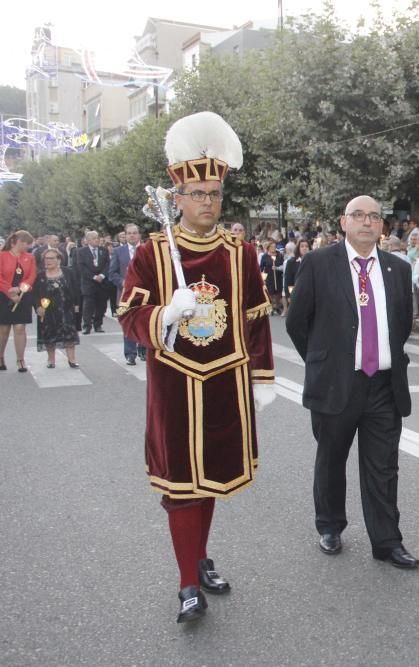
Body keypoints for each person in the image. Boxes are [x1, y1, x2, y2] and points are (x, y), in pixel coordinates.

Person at [117, 111, 275, 623]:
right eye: (198, 194)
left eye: (214, 194)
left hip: (225, 383)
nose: (208, 202)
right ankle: (188, 583)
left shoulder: (239, 251)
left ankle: (200, 557)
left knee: (211, 481)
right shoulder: (152, 252)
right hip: (175, 385)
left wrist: (262, 376)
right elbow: (128, 315)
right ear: (177, 198)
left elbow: (255, 318)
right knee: (181, 484)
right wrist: (165, 312)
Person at [285, 195, 419, 569]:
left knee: (383, 466)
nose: (366, 222)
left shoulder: (397, 268)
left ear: (382, 225)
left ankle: (387, 541)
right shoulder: (317, 264)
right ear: (343, 223)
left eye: (374, 216)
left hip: (384, 385)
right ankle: (330, 525)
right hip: (336, 383)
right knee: (332, 458)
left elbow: (402, 322)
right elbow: (298, 323)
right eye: (358, 215)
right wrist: (322, 361)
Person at [34, 248, 81, 368]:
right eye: (46, 258)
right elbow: (34, 294)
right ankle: (51, 360)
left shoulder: (68, 272)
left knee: (69, 334)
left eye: (51, 258)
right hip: (48, 310)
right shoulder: (40, 276)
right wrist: (38, 307)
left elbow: (76, 290)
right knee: (49, 334)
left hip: (66, 309)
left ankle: (72, 359)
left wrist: (77, 305)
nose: (48, 261)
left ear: (58, 260)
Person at [0, 230, 37, 372]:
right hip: (4, 295)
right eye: (27, 244)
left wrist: (21, 289)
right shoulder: (2, 256)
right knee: (3, 329)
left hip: (23, 295)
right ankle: (1, 357)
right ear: (19, 242)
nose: (28, 247)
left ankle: (20, 359)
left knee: (20, 328)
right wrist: (10, 290)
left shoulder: (29, 257)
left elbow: (32, 275)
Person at [108, 224, 146, 365]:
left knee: (144, 322)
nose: (132, 235)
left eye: (134, 233)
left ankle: (144, 350)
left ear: (139, 235)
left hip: (144, 293)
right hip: (125, 294)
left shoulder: (146, 249)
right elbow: (112, 273)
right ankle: (130, 354)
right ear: (125, 235)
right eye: (129, 233)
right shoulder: (119, 252)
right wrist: (123, 282)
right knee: (129, 324)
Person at [77, 230, 112, 334]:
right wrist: (93, 276)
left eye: (97, 238)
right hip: (89, 282)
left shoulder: (104, 250)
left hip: (102, 282)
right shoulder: (81, 252)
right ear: (87, 240)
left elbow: (108, 264)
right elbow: (81, 267)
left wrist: (102, 275)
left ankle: (98, 325)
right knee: (88, 305)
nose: (96, 240)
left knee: (101, 304)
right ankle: (87, 326)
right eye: (93, 238)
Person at [283, 238, 311, 308]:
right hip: (297, 293)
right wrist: (289, 295)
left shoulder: (314, 261)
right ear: (298, 248)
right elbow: (288, 280)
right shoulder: (291, 262)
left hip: (310, 294)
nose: (304, 248)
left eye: (306, 246)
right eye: (302, 246)